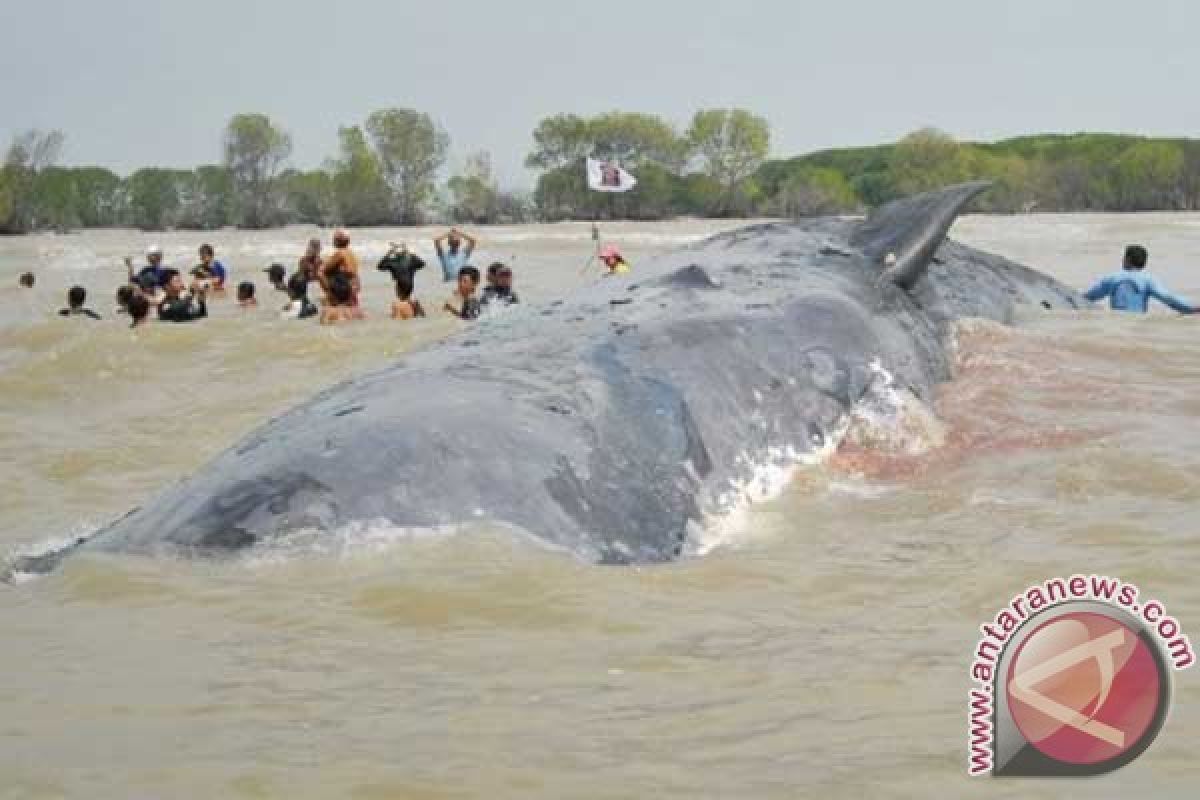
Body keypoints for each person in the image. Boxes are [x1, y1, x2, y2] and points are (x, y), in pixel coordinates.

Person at [1084, 245, 1197, 314]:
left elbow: (1087, 298)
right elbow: (1169, 299)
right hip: (1137, 324)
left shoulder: (1112, 279)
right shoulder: (1148, 280)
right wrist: (1194, 309)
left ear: (1127, 259)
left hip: (1116, 326)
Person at [320, 229, 360, 305]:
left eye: (334, 239)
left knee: (320, 273)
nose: (333, 241)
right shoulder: (351, 253)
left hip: (344, 287)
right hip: (354, 285)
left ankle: (331, 296)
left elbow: (324, 269)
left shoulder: (339, 253)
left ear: (337, 241)